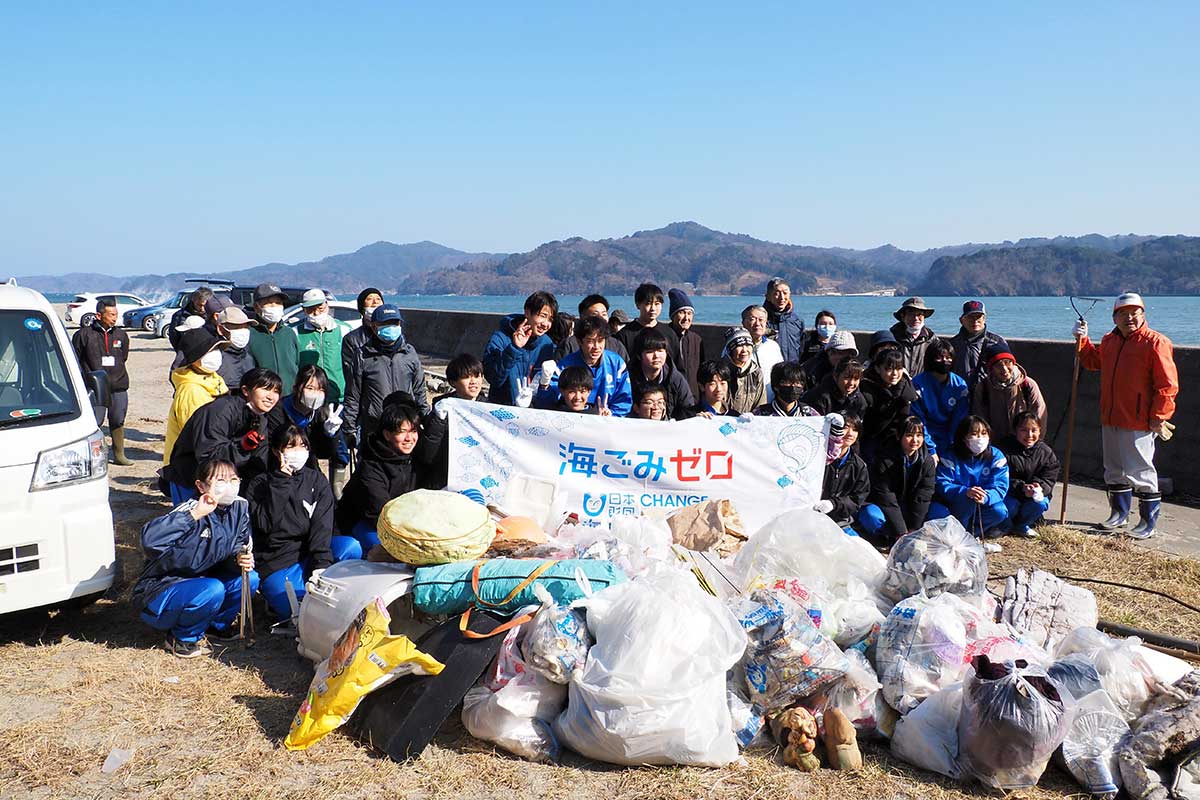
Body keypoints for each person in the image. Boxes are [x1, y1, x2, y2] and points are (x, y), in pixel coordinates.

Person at [1075, 291, 1178, 538]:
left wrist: (1159, 415)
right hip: (1110, 415)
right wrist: (1082, 340)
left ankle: (1147, 522)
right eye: (1123, 314)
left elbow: (1167, 384)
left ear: (1143, 314)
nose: (1129, 318)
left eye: (1134, 313)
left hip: (1139, 419)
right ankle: (1118, 514)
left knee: (1140, 471)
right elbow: (1093, 362)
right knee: (1113, 469)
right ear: (1115, 317)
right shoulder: (1110, 341)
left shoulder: (1156, 342)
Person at [132, 459, 258, 658]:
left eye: (234, 480)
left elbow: (237, 547)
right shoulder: (191, 509)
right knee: (212, 588)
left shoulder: (239, 508)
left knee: (249, 578)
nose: (230, 486)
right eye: (221, 480)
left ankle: (216, 626)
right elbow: (150, 541)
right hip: (162, 588)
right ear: (201, 486)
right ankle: (181, 638)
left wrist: (238, 560)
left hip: (204, 581)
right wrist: (196, 514)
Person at [246, 424, 362, 622]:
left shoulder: (316, 480)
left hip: (309, 552)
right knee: (295, 612)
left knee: (350, 546)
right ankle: (274, 599)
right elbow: (265, 525)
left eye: (303, 447)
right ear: (277, 451)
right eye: (291, 447)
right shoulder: (260, 484)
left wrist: (321, 564)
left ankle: (332, 588)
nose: (298, 452)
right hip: (277, 560)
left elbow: (322, 525)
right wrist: (281, 482)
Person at [163, 368, 282, 503]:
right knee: (192, 522)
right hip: (192, 479)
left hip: (227, 482)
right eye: (265, 389)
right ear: (245, 390)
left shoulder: (261, 418)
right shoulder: (221, 409)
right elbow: (208, 456)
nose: (271, 396)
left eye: (276, 391)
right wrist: (242, 446)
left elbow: (260, 459)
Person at [336, 401, 438, 552]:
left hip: (404, 523)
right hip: (367, 523)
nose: (409, 438)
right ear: (387, 434)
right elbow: (379, 511)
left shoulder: (415, 459)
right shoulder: (370, 467)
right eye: (402, 431)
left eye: (414, 431)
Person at [343, 304, 429, 450]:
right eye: (385, 323)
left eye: (394, 323)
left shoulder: (410, 354)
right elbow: (353, 395)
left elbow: (420, 392)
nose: (391, 327)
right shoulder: (363, 356)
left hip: (405, 428)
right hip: (374, 428)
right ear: (374, 326)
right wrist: (349, 429)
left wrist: (427, 420)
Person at [929, 415, 1010, 544]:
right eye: (974, 434)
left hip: (982, 504)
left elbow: (1000, 486)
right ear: (963, 437)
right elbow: (942, 483)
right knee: (938, 512)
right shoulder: (950, 454)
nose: (980, 439)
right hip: (953, 503)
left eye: (984, 434)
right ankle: (954, 536)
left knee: (999, 511)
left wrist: (986, 496)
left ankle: (971, 536)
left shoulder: (996, 456)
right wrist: (964, 492)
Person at [71, 297, 133, 465]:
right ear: (99, 315)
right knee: (95, 421)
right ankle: (95, 454)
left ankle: (119, 454)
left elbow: (123, 357)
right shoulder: (83, 335)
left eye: (116, 314)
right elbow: (75, 360)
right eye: (111, 314)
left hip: (118, 385)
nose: (114, 317)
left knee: (118, 419)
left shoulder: (121, 335)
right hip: (95, 387)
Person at [857, 416, 937, 546]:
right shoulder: (884, 459)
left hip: (910, 507)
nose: (915, 440)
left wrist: (914, 528)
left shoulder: (927, 461)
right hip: (885, 507)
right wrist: (901, 531)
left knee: (938, 512)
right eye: (909, 435)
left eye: (919, 435)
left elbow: (924, 494)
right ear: (899, 436)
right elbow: (885, 496)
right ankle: (886, 538)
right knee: (870, 515)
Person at [163, 328, 230, 474]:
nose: (216, 354)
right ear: (195, 359)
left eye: (217, 348)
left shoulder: (214, 379)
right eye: (209, 351)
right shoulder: (190, 390)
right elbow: (197, 435)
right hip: (190, 467)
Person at [265, 365, 347, 485]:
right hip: (278, 470)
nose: (315, 394)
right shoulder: (278, 410)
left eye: (321, 390)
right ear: (297, 387)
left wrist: (330, 434)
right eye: (310, 388)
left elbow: (323, 453)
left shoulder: (322, 413)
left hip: (308, 470)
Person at [536, 316, 632, 416]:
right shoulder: (565, 366)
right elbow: (547, 405)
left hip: (607, 425)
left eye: (600, 341)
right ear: (579, 341)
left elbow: (624, 401)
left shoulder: (616, 364)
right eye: (590, 341)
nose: (596, 347)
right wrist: (544, 385)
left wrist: (610, 414)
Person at [483, 291, 558, 405]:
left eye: (550, 319)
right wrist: (514, 348)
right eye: (542, 316)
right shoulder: (501, 338)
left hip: (531, 414)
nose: (545, 324)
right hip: (503, 410)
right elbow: (494, 378)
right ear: (527, 312)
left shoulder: (546, 344)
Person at [423, 353, 485, 489]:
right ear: (452, 382)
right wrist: (438, 420)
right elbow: (428, 454)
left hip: (478, 479)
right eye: (466, 377)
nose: (473, 381)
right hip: (445, 479)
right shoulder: (442, 407)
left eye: (477, 375)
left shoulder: (488, 408)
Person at [1001, 411, 1061, 539]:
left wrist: (1037, 488)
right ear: (1015, 430)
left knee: (1040, 503)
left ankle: (1022, 526)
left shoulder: (1046, 453)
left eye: (1034, 430)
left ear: (1040, 431)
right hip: (1010, 494)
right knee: (1009, 506)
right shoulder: (1004, 449)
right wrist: (1021, 487)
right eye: (1024, 430)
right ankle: (1004, 526)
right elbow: (999, 478)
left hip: (1032, 496)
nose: (1029, 435)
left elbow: (1049, 479)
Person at [911, 338, 969, 459]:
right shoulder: (917, 384)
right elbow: (918, 419)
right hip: (923, 437)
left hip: (950, 438)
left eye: (949, 358)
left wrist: (953, 444)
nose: (944, 361)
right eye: (939, 358)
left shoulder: (959, 385)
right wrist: (931, 449)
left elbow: (959, 419)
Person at [972, 350, 1047, 442]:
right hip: (996, 443)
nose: (1004, 369)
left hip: (1024, 441)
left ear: (1014, 364)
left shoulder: (1027, 384)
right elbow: (979, 416)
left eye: (1008, 363)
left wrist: (1036, 441)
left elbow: (1039, 413)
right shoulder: (983, 387)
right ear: (991, 368)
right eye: (998, 365)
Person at [860, 348, 919, 460]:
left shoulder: (906, 387)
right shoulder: (866, 387)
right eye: (889, 369)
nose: (895, 374)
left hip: (897, 438)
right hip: (870, 437)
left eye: (898, 368)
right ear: (878, 369)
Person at [815, 413, 869, 531]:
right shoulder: (819, 457)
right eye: (845, 427)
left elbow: (857, 498)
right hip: (813, 516)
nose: (850, 433)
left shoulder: (859, 466)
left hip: (840, 521)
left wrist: (833, 504)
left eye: (855, 430)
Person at [296, 289, 350, 403]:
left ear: (327, 305)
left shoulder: (344, 329)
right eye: (311, 309)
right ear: (303, 310)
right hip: (308, 397)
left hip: (338, 396)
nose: (316, 313)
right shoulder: (295, 332)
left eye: (320, 308)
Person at [628, 328, 694, 420]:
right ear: (639, 355)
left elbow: (688, 408)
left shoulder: (675, 378)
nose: (656, 356)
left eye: (660, 351)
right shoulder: (628, 378)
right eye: (650, 352)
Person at [247, 283, 300, 390]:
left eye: (278, 303)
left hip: (289, 396)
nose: (275, 307)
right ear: (257, 307)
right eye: (269, 303)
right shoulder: (249, 334)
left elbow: (297, 363)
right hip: (263, 397)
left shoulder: (289, 333)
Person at [950, 300, 1010, 394]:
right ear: (961, 320)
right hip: (959, 396)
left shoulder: (997, 342)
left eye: (978, 317)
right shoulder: (952, 344)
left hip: (989, 395)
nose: (975, 321)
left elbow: (1008, 370)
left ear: (984, 319)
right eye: (970, 317)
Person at [615, 283, 681, 367]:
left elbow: (678, 366)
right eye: (648, 303)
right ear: (638, 304)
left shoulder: (669, 333)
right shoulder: (624, 335)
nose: (653, 308)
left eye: (657, 304)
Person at [554, 294, 630, 362]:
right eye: (595, 314)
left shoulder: (616, 345)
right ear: (582, 317)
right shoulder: (569, 344)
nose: (601, 318)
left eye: (604, 314)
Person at [722, 326, 767, 415]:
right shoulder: (721, 371)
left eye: (748, 345)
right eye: (739, 345)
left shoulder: (756, 372)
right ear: (730, 349)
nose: (744, 350)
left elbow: (760, 404)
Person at [803, 357, 868, 419]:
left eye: (856, 379)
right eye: (846, 377)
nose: (851, 383)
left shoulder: (860, 401)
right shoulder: (819, 396)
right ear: (836, 376)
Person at [742, 305, 783, 402]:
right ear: (743, 323)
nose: (757, 323)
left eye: (761, 320)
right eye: (752, 319)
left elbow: (780, 373)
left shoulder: (773, 346)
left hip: (770, 401)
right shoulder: (735, 348)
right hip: (745, 402)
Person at [668, 288, 705, 397]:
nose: (686, 318)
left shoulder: (697, 340)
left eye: (689, 313)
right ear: (673, 315)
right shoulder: (664, 336)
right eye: (682, 313)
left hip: (694, 397)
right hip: (671, 395)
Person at [889, 297, 937, 376]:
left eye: (919, 314)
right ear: (903, 316)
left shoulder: (931, 339)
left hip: (922, 385)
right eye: (911, 314)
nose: (916, 318)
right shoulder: (892, 337)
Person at [341, 286, 385, 369]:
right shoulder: (351, 339)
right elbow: (349, 370)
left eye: (378, 299)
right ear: (362, 306)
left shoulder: (391, 333)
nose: (375, 302)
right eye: (369, 299)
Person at [214, 306, 258, 390]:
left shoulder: (248, 353)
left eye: (245, 327)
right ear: (220, 329)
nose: (242, 332)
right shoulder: (214, 357)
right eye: (236, 327)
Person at [763, 278, 805, 363]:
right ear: (768, 297)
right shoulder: (761, 321)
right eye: (776, 293)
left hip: (791, 371)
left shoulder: (797, 321)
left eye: (785, 293)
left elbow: (802, 349)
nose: (782, 297)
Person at [537, 365, 609, 414]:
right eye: (572, 392)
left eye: (582, 392)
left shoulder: (596, 415)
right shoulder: (554, 412)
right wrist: (544, 383)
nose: (577, 397)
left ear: (589, 392)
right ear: (562, 391)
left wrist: (606, 421)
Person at [168, 287, 213, 352]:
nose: (202, 309)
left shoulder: (213, 316)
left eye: (205, 306)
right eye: (199, 305)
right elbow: (174, 337)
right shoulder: (179, 316)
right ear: (193, 300)